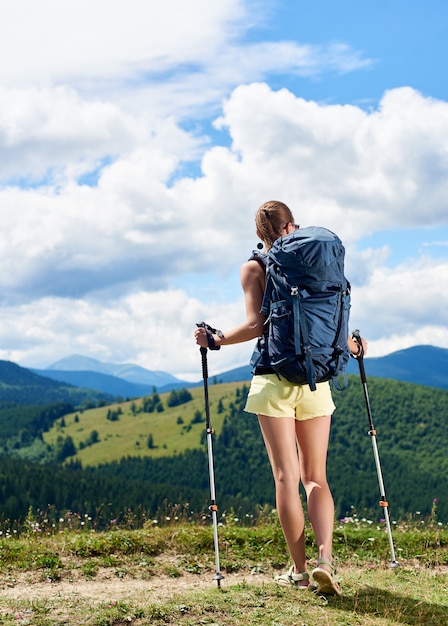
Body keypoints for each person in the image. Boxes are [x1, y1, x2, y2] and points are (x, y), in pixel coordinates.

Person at [194, 200, 366, 595]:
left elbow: (256, 326)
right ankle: (326, 559)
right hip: (316, 378)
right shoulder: (318, 263)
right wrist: (354, 347)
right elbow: (332, 324)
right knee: (316, 477)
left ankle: (300, 571)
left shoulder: (254, 267)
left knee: (287, 477)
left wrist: (215, 340)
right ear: (293, 225)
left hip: (273, 378)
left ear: (260, 235)